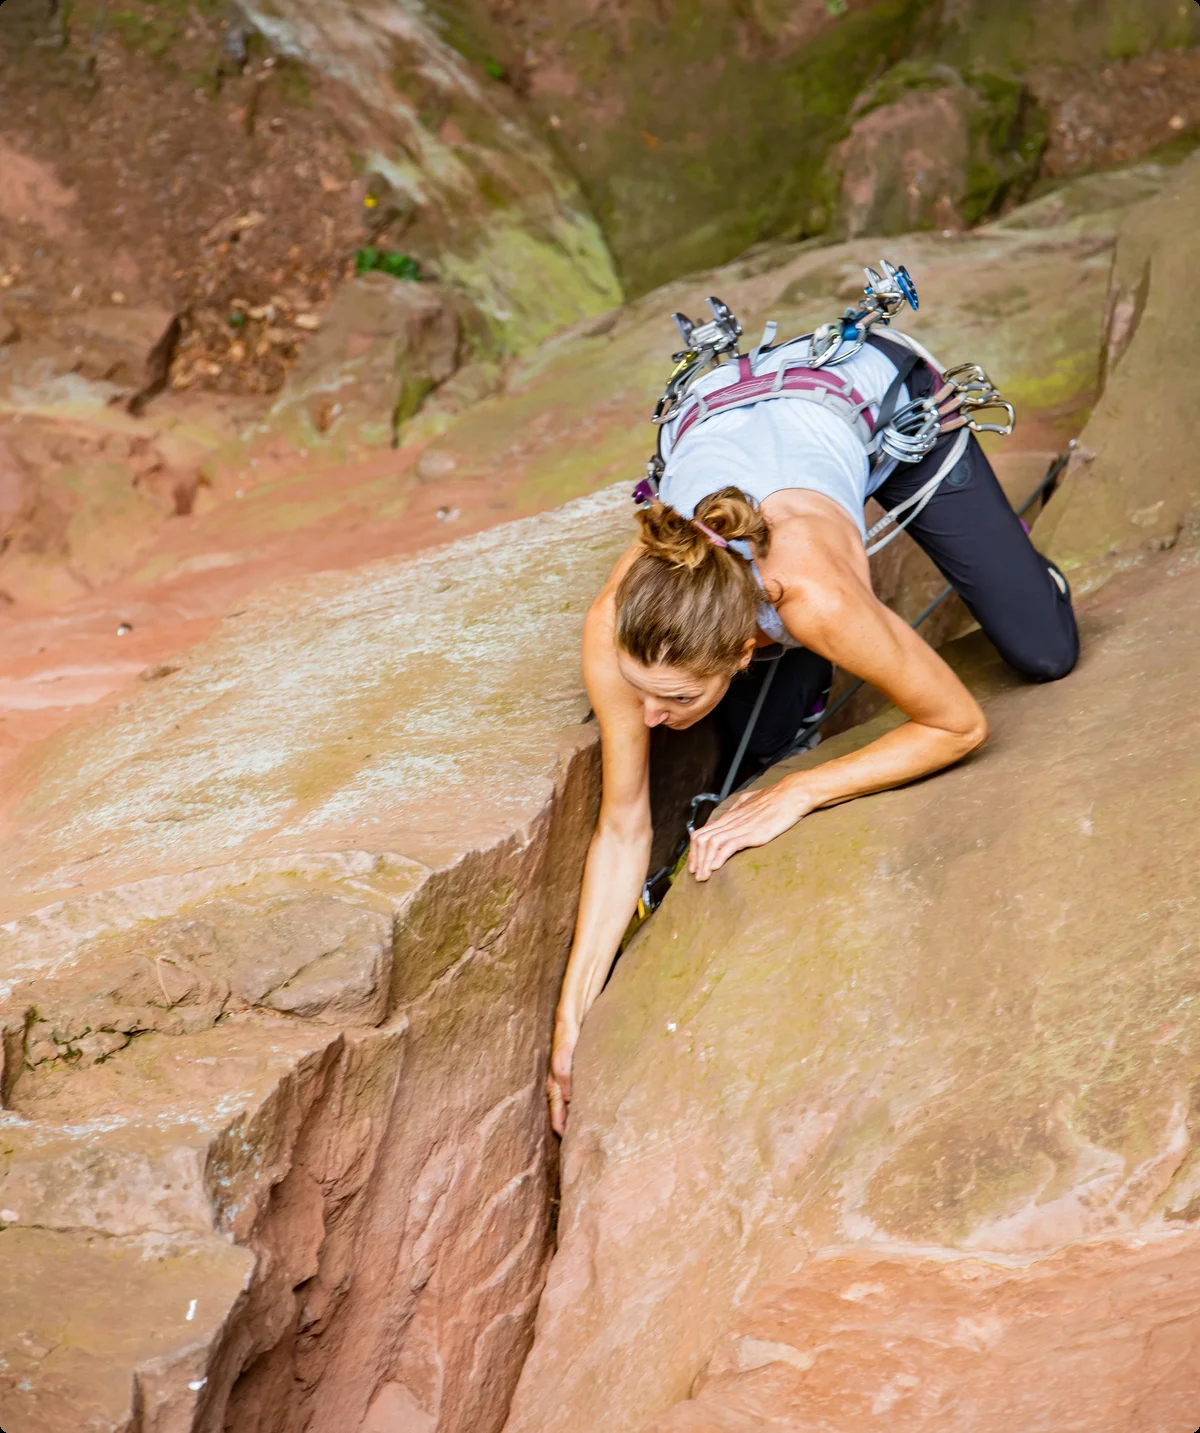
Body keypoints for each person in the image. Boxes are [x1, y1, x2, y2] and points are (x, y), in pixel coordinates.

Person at [546, 328, 1078, 1134]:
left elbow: (958, 724)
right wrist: (570, 1020)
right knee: (767, 742)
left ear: (743, 648)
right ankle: (786, 714)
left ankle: (1023, 576)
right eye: (642, 693)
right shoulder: (620, 627)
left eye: (673, 699)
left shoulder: (812, 600)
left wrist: (804, 791)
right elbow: (621, 827)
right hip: (725, 414)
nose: (647, 717)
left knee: (1044, 648)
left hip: (878, 407)